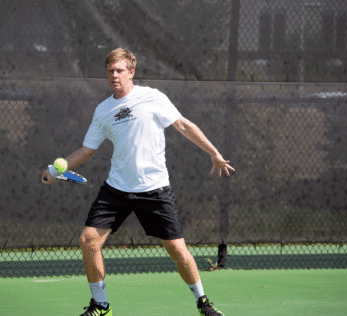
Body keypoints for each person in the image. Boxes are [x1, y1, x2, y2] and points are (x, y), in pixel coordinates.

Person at [42, 48, 234, 316]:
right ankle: (100, 304)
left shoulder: (152, 97)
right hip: (116, 189)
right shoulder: (103, 110)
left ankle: (203, 302)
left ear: (131, 72)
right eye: (110, 71)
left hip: (154, 189)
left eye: (119, 70)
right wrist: (53, 168)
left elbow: (183, 126)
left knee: (176, 249)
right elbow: (86, 150)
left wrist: (213, 153)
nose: (114, 75)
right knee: (89, 240)